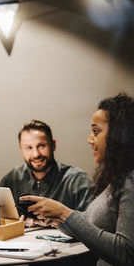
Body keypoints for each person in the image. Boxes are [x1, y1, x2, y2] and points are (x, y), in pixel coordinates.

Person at [21, 93, 134, 266]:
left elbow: (127, 254)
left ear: (119, 134)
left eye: (96, 131)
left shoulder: (130, 181)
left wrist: (64, 213)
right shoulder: (118, 179)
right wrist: (55, 218)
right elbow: (88, 226)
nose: (89, 139)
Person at [0, 120, 92, 215]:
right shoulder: (11, 180)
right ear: (21, 150)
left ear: (53, 145)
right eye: (29, 148)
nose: (36, 154)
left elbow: (91, 223)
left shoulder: (77, 180)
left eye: (41, 146)